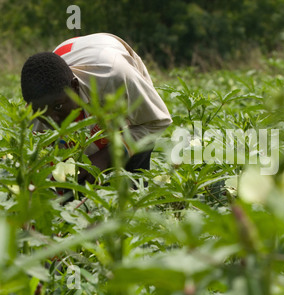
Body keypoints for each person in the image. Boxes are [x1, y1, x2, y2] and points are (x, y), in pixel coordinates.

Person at [20, 33, 172, 183]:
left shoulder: (114, 77)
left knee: (133, 159)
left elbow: (156, 122)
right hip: (79, 56)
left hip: (111, 54)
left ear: (74, 86)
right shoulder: (36, 112)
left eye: (58, 107)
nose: (52, 119)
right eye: (42, 113)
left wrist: (105, 157)